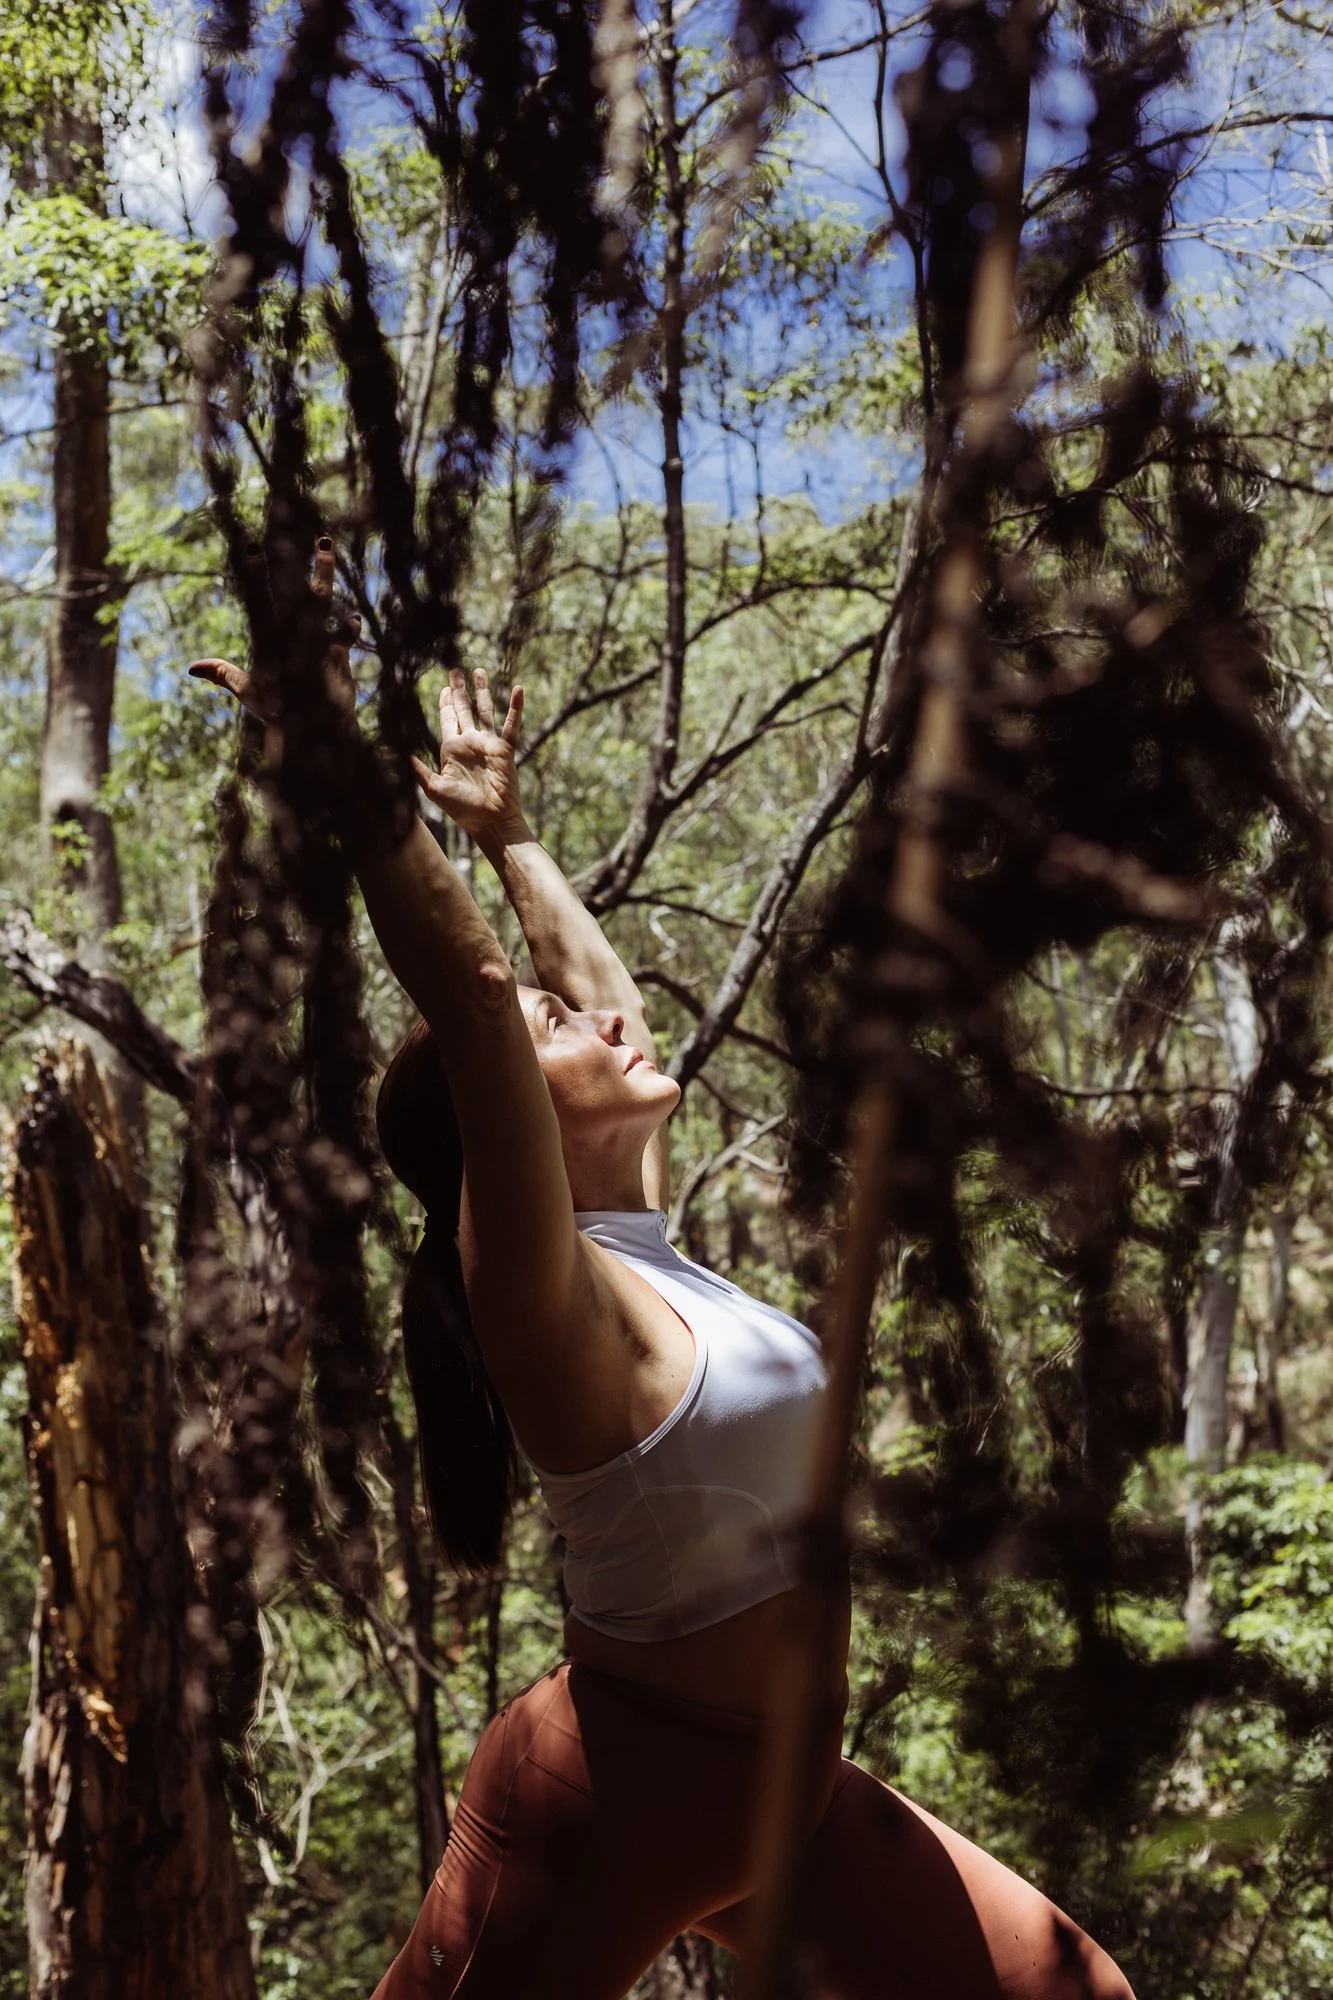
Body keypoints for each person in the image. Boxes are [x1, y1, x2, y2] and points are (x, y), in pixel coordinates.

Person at [189, 541, 1136, 2000]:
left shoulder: (640, 1238)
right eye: (559, 1041)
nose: (607, 1022)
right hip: (608, 1803)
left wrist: (508, 831)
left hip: (787, 1799)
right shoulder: (548, 1297)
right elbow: (482, 994)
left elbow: (594, 997)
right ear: (506, 1120)